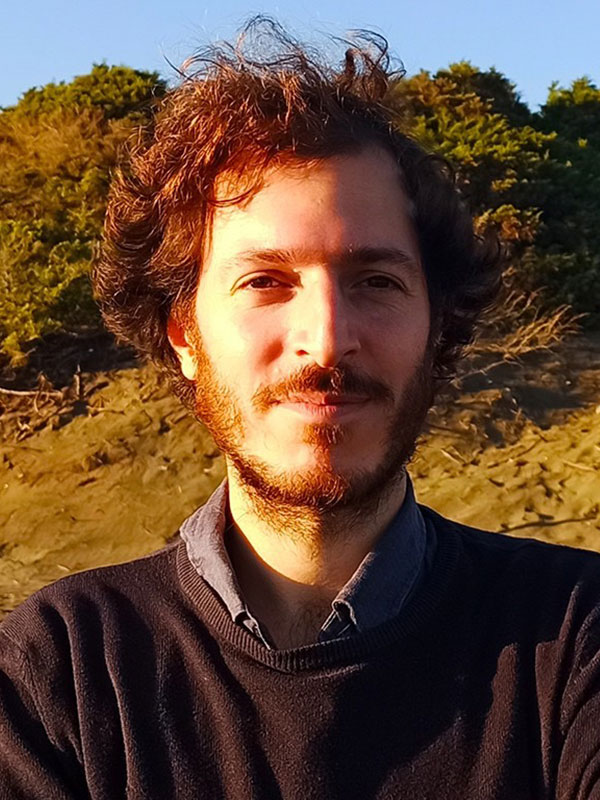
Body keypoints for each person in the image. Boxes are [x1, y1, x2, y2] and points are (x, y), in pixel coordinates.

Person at [1, 17, 600, 800]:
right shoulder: (62, 669)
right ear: (184, 334)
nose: (325, 341)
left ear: (437, 325)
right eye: (264, 282)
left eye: (376, 282)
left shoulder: (578, 638)